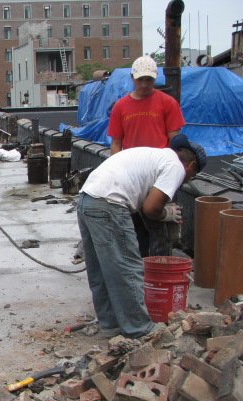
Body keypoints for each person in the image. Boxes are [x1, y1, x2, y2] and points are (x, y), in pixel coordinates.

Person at [77, 134, 206, 339]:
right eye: (193, 175)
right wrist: (166, 214)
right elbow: (151, 208)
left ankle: (110, 324)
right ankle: (139, 328)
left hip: (87, 199)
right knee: (128, 267)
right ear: (190, 165)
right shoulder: (175, 167)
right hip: (110, 204)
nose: (188, 179)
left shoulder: (155, 156)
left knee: (101, 269)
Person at [108, 55, 186, 256]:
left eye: (149, 80)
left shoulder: (167, 103)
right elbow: (116, 143)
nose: (144, 84)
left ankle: (159, 270)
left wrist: (174, 173)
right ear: (133, 78)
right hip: (134, 176)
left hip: (160, 174)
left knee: (161, 227)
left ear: (155, 78)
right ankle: (140, 267)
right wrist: (117, 173)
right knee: (135, 228)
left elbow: (174, 140)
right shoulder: (121, 107)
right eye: (140, 79)